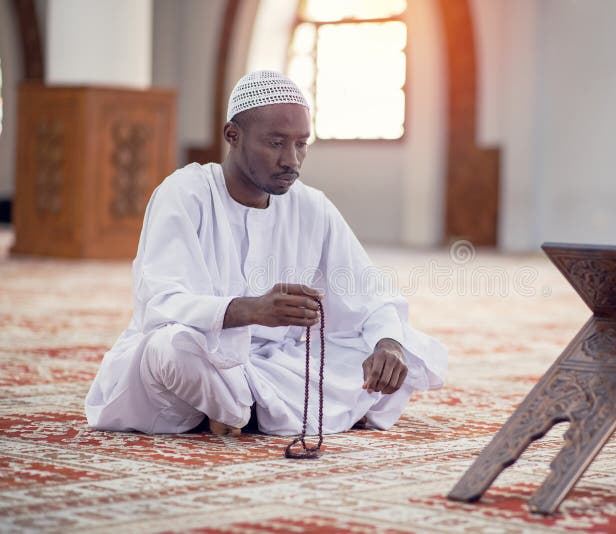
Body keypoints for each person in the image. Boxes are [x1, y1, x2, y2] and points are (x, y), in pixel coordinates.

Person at [85, 70, 447, 436]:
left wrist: (387, 344)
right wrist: (249, 310)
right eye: (276, 143)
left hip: (278, 365)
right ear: (233, 135)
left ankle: (237, 409)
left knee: (406, 347)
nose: (292, 160)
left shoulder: (312, 206)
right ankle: (256, 409)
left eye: (301, 144)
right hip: (205, 355)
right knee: (168, 349)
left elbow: (370, 292)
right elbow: (160, 302)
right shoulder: (185, 193)